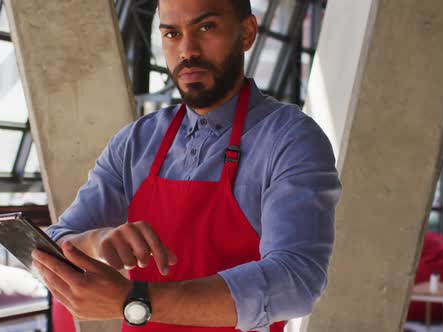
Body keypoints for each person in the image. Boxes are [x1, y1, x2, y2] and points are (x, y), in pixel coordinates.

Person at [31, 0, 341, 331]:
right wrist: (98, 241)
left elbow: (296, 280)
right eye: (172, 34)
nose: (187, 50)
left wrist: (137, 300)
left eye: (206, 28)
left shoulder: (291, 139)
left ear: (247, 32)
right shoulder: (136, 141)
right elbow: (50, 246)